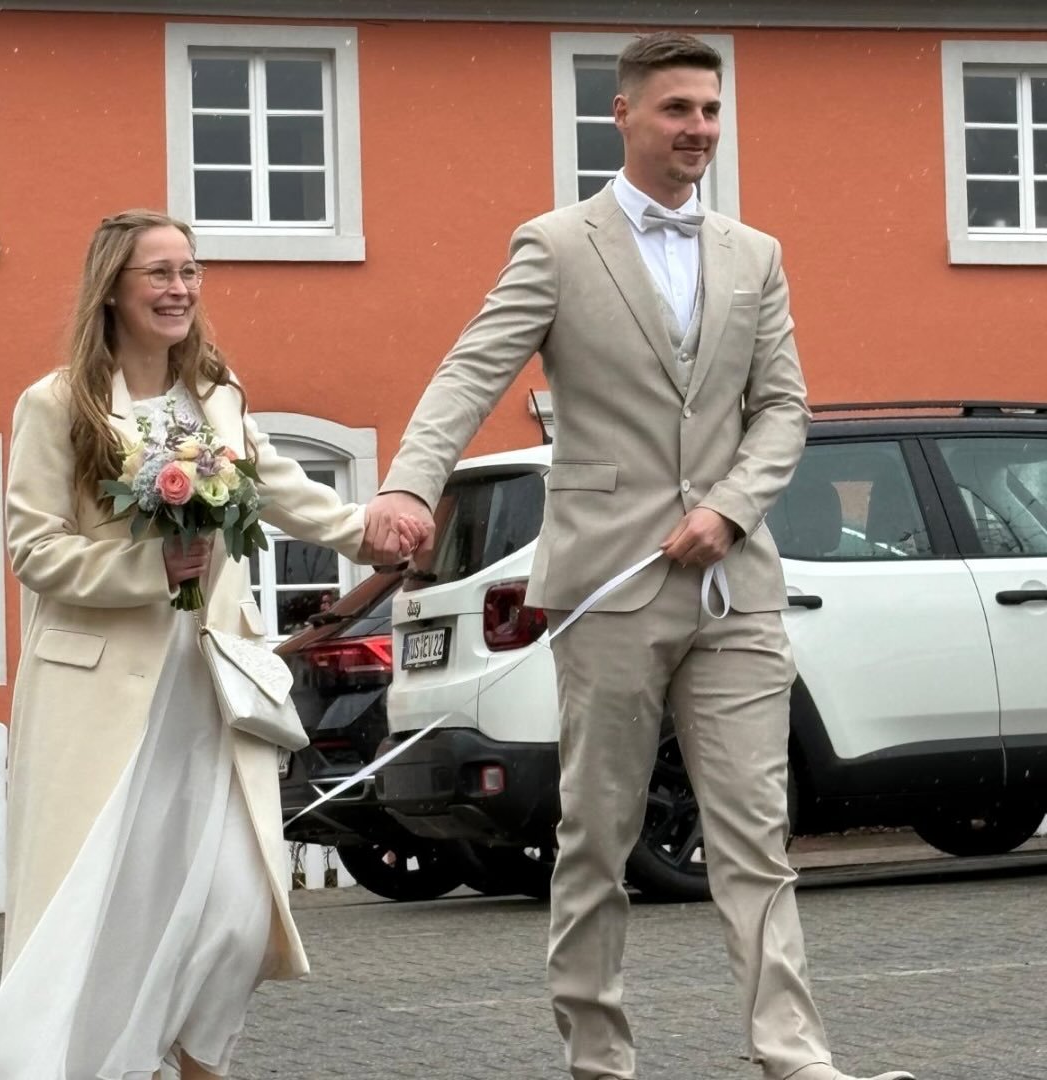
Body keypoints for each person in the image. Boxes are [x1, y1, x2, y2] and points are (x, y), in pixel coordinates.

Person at [361, 32, 914, 1080]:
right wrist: (407, 483)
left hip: (736, 587)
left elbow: (783, 409)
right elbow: (471, 372)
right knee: (598, 835)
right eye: (677, 109)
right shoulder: (555, 245)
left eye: (710, 110)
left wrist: (732, 511)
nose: (699, 128)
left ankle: (794, 1057)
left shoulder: (756, 254)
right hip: (609, 585)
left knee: (755, 835)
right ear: (621, 115)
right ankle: (598, 1058)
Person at [0, 209, 422, 1080]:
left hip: (208, 687)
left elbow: (275, 484)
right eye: (160, 274)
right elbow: (34, 551)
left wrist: (365, 530)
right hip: (101, 700)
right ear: (114, 288)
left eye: (189, 272)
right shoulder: (56, 404)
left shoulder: (215, 393)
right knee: (106, 909)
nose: (180, 290)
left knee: (235, 907)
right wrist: (152, 567)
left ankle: (191, 1054)